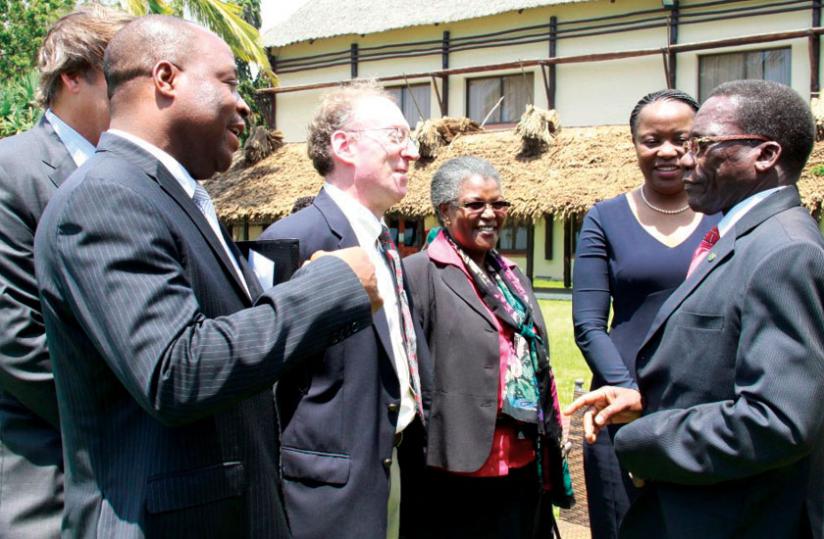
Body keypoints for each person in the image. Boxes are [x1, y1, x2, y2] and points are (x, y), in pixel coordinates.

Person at [33, 15, 380, 538]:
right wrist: (329, 290)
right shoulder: (106, 198)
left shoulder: (174, 197)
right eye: (229, 82)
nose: (245, 105)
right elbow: (178, 370)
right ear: (166, 78)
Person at [566, 79, 824, 538]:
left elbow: (779, 420)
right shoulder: (740, 238)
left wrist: (647, 436)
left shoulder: (785, 252)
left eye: (702, 144)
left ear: (765, 155)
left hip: (733, 512)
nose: (685, 158)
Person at [259, 81, 430, 539]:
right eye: (396, 137)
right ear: (345, 146)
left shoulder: (384, 240)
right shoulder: (293, 238)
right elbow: (260, 367)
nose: (411, 152)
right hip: (325, 495)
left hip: (394, 470)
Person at [0, 6, 132, 536]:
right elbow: (16, 339)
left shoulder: (135, 177)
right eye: (119, 77)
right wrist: (133, 417)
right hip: (49, 481)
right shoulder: (13, 171)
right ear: (71, 77)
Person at [571, 89, 719, 538]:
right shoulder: (605, 218)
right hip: (622, 410)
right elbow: (588, 324)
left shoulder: (726, 215)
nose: (668, 151)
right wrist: (628, 391)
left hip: (707, 409)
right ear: (634, 145)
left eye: (683, 138)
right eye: (651, 140)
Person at [404, 156, 573, 538]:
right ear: (445, 212)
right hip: (456, 462)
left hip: (524, 456)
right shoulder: (420, 274)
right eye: (476, 204)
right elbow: (414, 372)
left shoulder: (513, 278)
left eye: (498, 204)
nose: (490, 214)